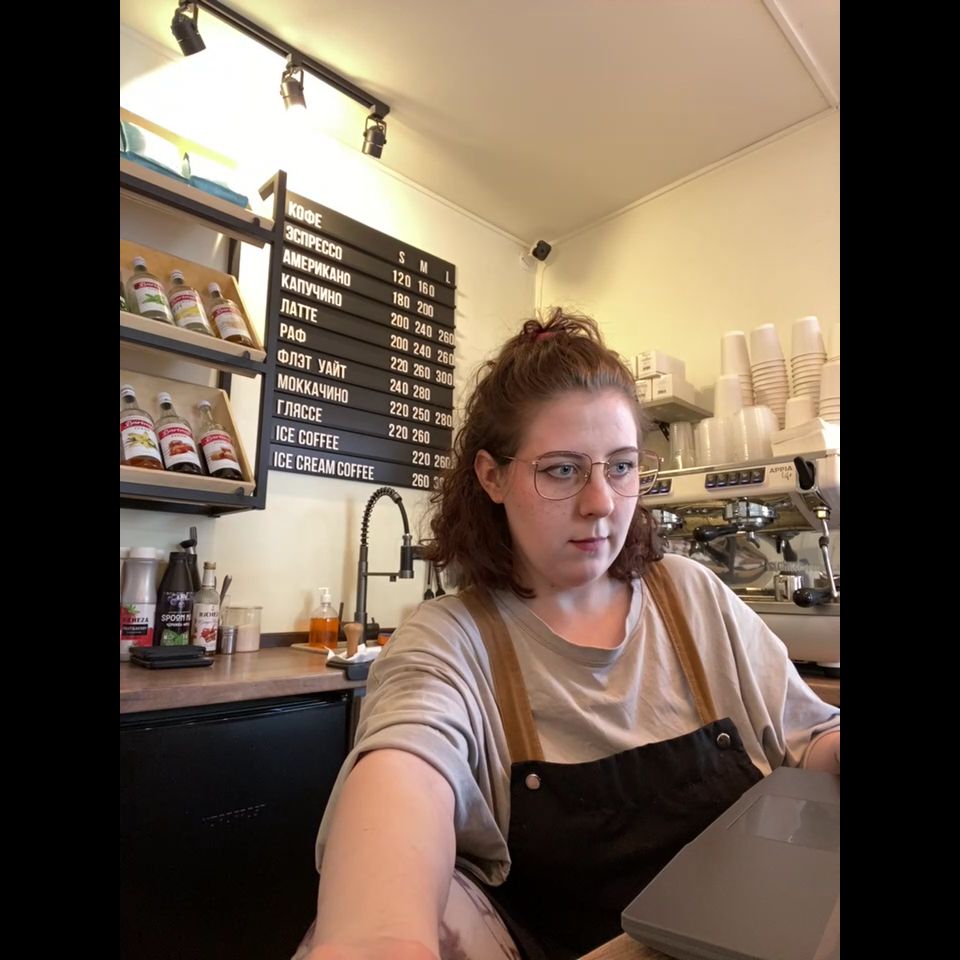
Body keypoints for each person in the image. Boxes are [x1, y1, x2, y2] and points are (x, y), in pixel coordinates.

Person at [298, 310, 840, 960]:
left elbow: (811, 741)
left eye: (622, 466)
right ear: (492, 477)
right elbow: (403, 774)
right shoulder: (449, 642)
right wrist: (379, 935)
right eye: (561, 470)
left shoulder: (691, 596)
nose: (602, 502)